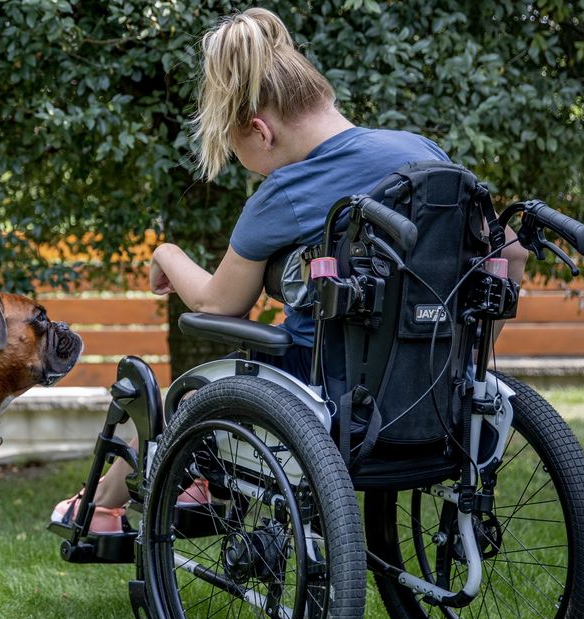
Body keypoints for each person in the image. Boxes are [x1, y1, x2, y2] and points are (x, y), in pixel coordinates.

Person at [52, 7, 527, 533]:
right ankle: (182, 485)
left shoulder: (287, 190)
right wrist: (464, 364)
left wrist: (166, 253)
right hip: (433, 386)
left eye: (236, 151)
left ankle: (99, 507)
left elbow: (217, 303)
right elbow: (510, 255)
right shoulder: (423, 154)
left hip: (325, 391)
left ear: (260, 131)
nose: (245, 165)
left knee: (187, 394)